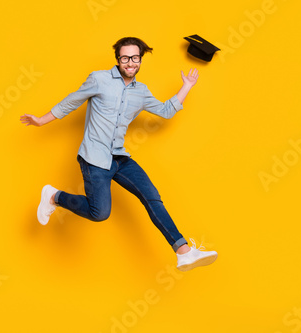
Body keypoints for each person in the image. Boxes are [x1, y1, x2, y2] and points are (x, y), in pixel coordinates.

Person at [20, 37, 217, 271]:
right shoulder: (99, 79)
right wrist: (41, 120)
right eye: (125, 58)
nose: (130, 63)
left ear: (140, 60)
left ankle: (183, 252)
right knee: (100, 213)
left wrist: (187, 86)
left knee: (152, 197)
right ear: (118, 59)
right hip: (94, 158)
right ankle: (54, 196)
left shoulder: (141, 92)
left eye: (135, 58)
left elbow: (165, 111)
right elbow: (71, 101)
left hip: (120, 158)